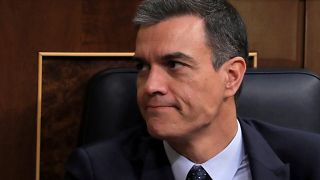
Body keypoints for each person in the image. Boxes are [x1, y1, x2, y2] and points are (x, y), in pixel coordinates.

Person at [65, 0, 320, 179]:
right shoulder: (97, 170)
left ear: (231, 76)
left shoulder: (311, 161)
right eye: (142, 66)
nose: (151, 85)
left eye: (174, 64)